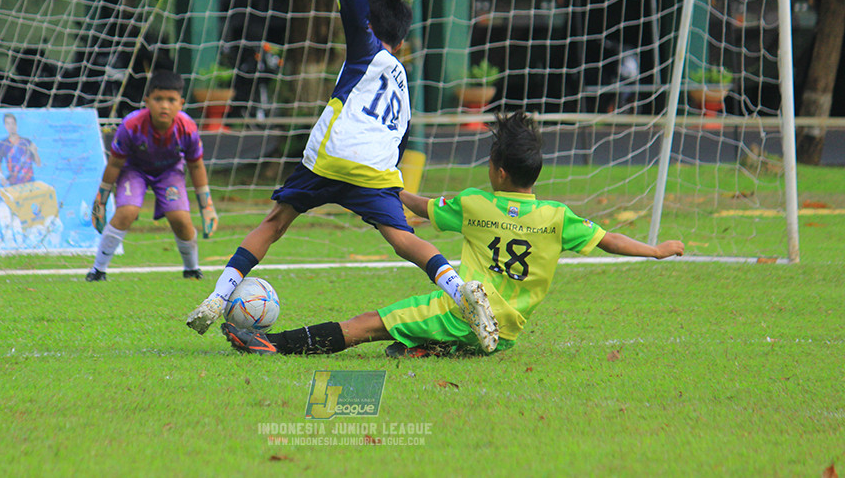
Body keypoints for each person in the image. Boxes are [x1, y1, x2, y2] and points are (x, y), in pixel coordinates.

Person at [187, 0, 499, 351]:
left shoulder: (366, 49)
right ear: (403, 38)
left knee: (275, 223)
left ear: (370, 26)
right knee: (403, 239)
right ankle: (461, 292)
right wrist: (390, 186)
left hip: (332, 156)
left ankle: (217, 297)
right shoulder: (403, 82)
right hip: (376, 169)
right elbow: (400, 139)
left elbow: (353, 9)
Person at [220, 111, 685, 357]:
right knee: (413, 329)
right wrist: (656, 250)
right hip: (507, 332)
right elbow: (609, 240)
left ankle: (273, 345)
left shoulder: (475, 204)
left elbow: (418, 205)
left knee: (369, 324)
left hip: (462, 311)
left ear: (498, 171)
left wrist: (380, 187)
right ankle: (433, 348)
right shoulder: (558, 216)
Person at [87, 71, 218, 281]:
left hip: (169, 172)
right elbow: (115, 163)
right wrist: (100, 201)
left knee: (180, 218)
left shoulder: (188, 129)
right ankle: (97, 270)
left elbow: (196, 166)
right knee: (127, 212)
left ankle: (192, 269)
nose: (164, 106)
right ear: (147, 101)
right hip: (134, 170)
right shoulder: (131, 125)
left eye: (171, 100)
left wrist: (207, 206)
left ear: (181, 103)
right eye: (158, 99)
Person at [0, 113, 41, 186]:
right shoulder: (2, 144)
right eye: (8, 124)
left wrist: (35, 153)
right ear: (5, 126)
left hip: (30, 183)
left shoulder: (26, 142)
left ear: (16, 125)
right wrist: (2, 178)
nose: (11, 126)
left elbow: (38, 164)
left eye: (12, 123)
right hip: (14, 184)